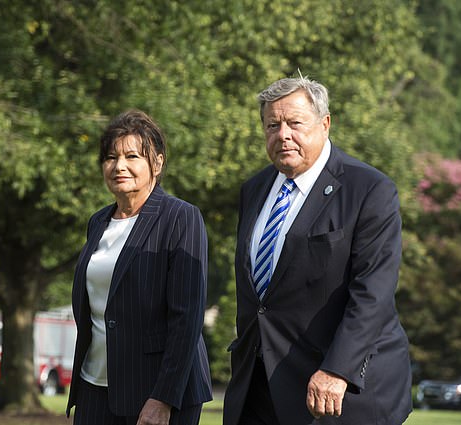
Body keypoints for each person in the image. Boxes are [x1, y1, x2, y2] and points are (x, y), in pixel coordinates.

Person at [223, 77, 412, 425]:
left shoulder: (370, 189)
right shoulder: (254, 189)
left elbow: (373, 293)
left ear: (325, 124)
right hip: (258, 388)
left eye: (295, 123)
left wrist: (338, 370)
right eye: (272, 125)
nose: (283, 134)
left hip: (339, 392)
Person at [66, 109, 213, 425]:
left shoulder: (181, 218)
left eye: (132, 156)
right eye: (110, 157)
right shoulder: (97, 222)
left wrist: (163, 398)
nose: (119, 166)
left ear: (157, 163)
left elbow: (187, 319)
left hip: (159, 392)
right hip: (95, 386)